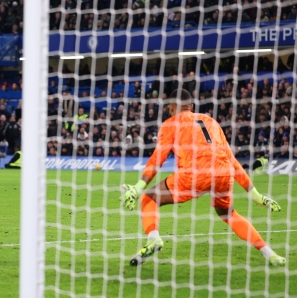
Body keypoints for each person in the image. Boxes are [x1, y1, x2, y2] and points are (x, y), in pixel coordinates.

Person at [121, 89, 285, 267]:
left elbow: (157, 159)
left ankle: (153, 239)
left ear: (172, 107)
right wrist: (255, 194)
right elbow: (232, 159)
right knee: (229, 214)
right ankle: (271, 254)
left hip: (194, 174)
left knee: (149, 198)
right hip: (223, 173)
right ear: (191, 106)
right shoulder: (211, 121)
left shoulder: (171, 123)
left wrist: (138, 187)